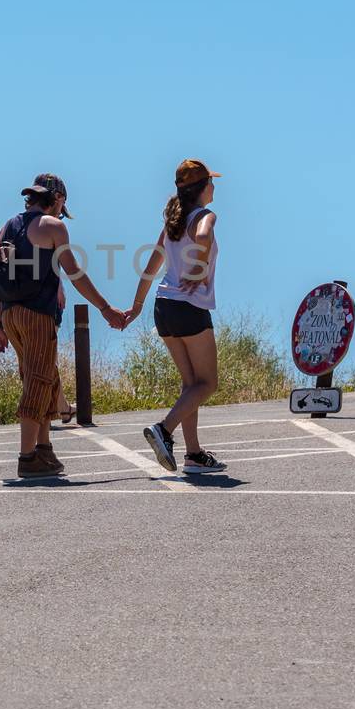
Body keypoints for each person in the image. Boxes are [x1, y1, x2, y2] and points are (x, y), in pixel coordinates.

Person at [0, 174, 125, 479]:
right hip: (37, 313)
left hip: (10, 314)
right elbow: (74, 271)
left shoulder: (6, 227)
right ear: (55, 200)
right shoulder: (53, 226)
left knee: (42, 376)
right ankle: (28, 457)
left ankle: (45, 449)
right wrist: (104, 307)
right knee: (38, 380)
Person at [123, 159, 227, 475]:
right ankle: (164, 430)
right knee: (207, 383)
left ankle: (194, 455)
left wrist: (137, 306)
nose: (214, 187)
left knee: (190, 384)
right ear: (201, 188)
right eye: (211, 181)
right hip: (188, 308)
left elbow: (150, 268)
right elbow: (205, 235)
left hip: (163, 307)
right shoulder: (204, 216)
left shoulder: (172, 225)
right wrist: (197, 268)